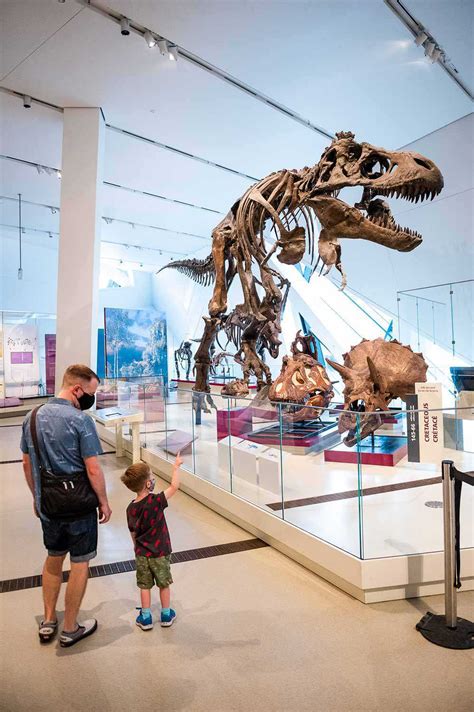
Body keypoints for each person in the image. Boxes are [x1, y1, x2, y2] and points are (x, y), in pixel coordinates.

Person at [20, 364, 112, 648]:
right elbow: (93, 469)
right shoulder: (80, 421)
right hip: (78, 505)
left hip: (49, 503)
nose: (90, 399)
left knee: (53, 557)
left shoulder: (31, 417)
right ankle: (71, 627)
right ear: (76, 389)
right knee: (80, 562)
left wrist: (38, 498)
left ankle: (48, 621)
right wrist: (104, 502)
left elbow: (26, 463)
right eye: (90, 393)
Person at [121, 454, 182, 631]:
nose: (153, 479)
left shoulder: (130, 508)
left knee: (144, 585)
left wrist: (136, 547)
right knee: (164, 584)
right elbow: (174, 486)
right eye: (151, 477)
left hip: (142, 553)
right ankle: (165, 614)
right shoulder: (156, 501)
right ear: (147, 484)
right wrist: (176, 467)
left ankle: (146, 617)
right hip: (160, 551)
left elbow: (132, 531)